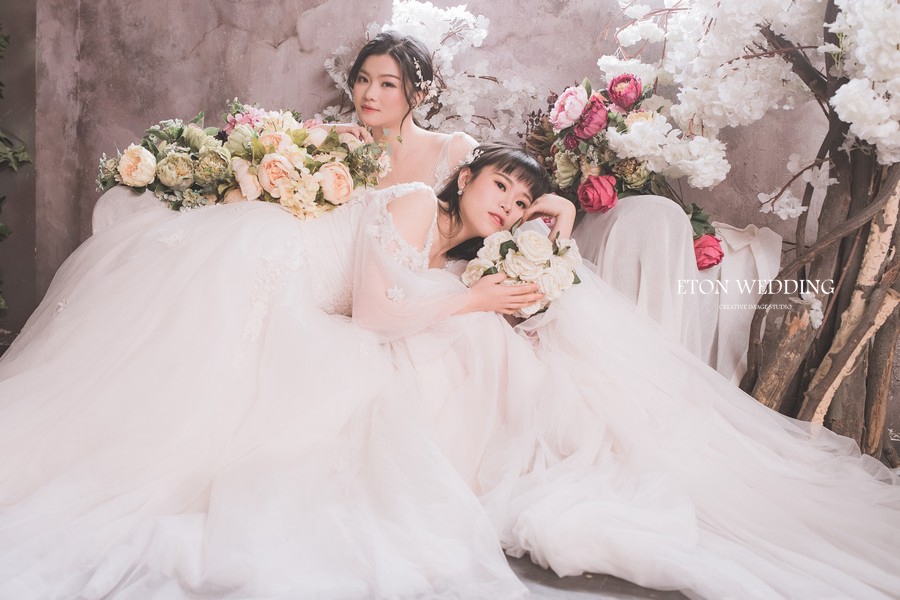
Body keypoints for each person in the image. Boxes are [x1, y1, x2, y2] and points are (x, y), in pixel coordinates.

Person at [1, 142, 899, 599]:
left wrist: (548, 220)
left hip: (339, 304)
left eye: (520, 196)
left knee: (469, 346)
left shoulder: (464, 254)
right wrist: (476, 303)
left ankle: (496, 460)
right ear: (464, 176)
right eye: (499, 183)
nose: (508, 201)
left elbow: (461, 288)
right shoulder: (407, 204)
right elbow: (376, 313)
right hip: (265, 276)